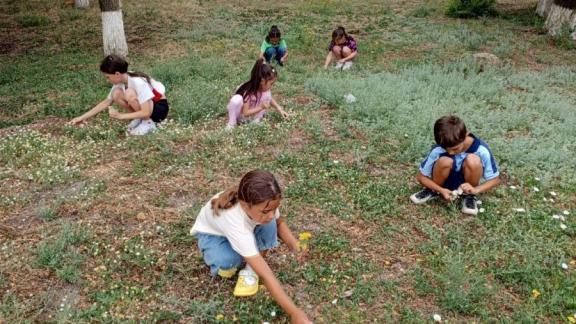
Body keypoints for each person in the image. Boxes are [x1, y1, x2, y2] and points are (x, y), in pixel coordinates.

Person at [190, 170, 312, 324]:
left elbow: (279, 221)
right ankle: (245, 257)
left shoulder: (266, 202)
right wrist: (294, 312)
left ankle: (250, 263)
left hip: (245, 228)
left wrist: (294, 244)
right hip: (214, 236)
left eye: (275, 209)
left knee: (270, 225)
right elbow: (266, 275)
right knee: (228, 262)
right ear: (245, 206)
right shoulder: (235, 221)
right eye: (266, 211)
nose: (271, 214)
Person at [410, 115, 501, 215]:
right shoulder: (438, 149)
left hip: (468, 184)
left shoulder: (481, 149)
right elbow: (421, 177)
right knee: (444, 161)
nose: (451, 152)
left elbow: (495, 180)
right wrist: (441, 190)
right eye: (446, 149)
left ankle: (468, 196)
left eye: (455, 148)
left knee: (473, 160)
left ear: (466, 135)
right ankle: (433, 191)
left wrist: (476, 190)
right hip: (441, 183)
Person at [68, 54, 169, 135]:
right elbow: (106, 102)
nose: (107, 80)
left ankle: (148, 123)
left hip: (159, 109)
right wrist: (82, 117)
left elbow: (146, 112)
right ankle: (139, 118)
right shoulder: (122, 79)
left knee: (129, 93)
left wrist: (120, 116)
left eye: (108, 77)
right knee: (116, 94)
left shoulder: (137, 82)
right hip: (149, 107)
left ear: (117, 74)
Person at [226, 59, 288, 130]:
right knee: (236, 99)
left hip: (254, 117)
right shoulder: (249, 92)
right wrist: (261, 107)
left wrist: (279, 109)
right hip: (244, 117)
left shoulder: (265, 90)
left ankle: (255, 121)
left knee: (266, 96)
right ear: (262, 81)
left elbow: (270, 99)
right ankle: (232, 124)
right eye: (271, 84)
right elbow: (245, 113)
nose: (272, 86)